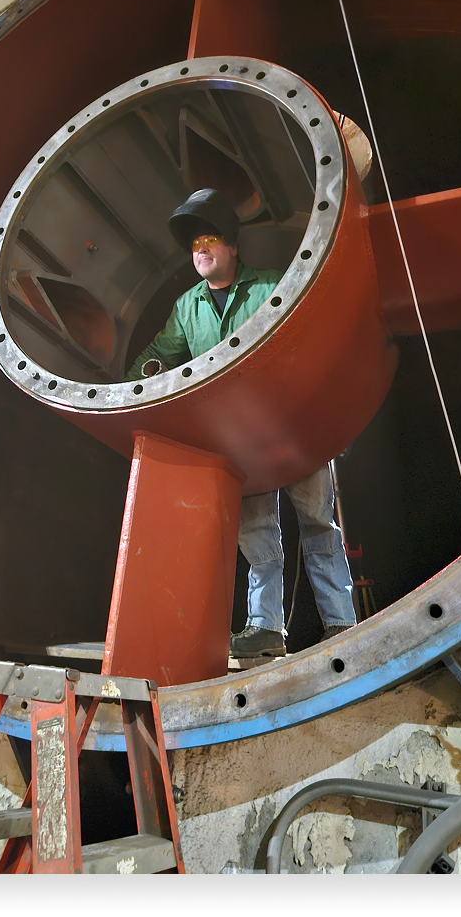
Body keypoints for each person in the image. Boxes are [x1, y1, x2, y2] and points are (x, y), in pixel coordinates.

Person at [127, 189, 357, 659]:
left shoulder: (272, 285)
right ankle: (266, 628)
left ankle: (341, 624)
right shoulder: (186, 308)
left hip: (296, 431)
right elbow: (157, 358)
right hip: (240, 446)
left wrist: (334, 419)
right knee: (257, 541)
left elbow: (315, 346)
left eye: (209, 239)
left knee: (318, 524)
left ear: (232, 246)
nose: (202, 251)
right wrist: (129, 388)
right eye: (194, 246)